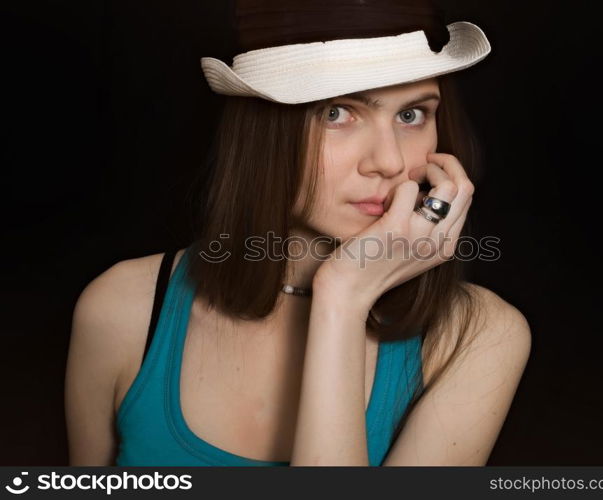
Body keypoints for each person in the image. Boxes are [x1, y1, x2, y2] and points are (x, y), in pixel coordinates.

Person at [65, 0, 531, 466]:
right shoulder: (122, 310)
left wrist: (343, 298)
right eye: (337, 113)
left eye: (411, 115)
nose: (389, 162)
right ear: (263, 130)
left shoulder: (477, 338)